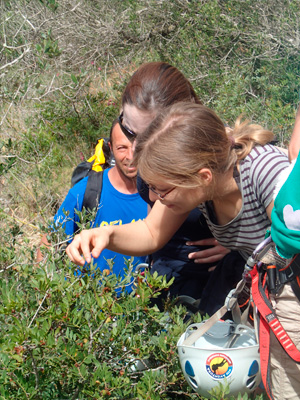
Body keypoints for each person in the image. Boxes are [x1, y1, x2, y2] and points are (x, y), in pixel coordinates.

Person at [65, 102, 294, 399]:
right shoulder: (200, 182)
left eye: (163, 190)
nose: (156, 197)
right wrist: (105, 233)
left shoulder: (266, 174)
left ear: (202, 177)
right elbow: (150, 232)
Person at [116, 61, 236, 310]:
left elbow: (275, 216)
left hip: (219, 288)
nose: (136, 149)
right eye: (128, 131)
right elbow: (153, 231)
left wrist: (239, 244)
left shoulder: (219, 152)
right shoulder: (151, 158)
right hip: (165, 282)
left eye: (149, 134)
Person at [38, 119, 148, 290]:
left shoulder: (158, 193)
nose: (131, 156)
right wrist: (47, 294)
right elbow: (49, 243)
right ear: (111, 149)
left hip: (144, 307)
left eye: (137, 146)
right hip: (93, 308)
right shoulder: (86, 191)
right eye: (122, 148)